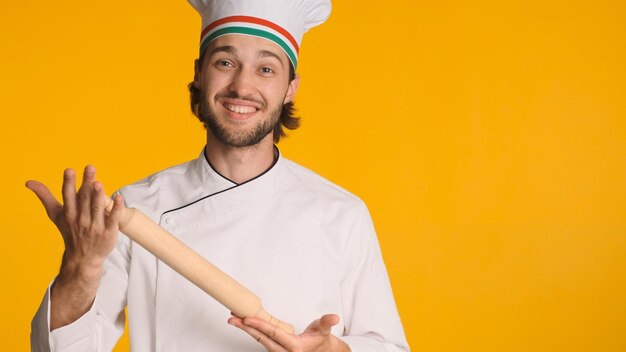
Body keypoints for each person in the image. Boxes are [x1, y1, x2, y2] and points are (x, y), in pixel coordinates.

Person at [28, 0, 410, 351]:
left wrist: (335, 351)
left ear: (291, 87)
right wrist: (82, 265)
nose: (242, 87)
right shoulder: (135, 211)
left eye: (266, 69)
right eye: (225, 63)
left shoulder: (341, 214)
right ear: (199, 72)